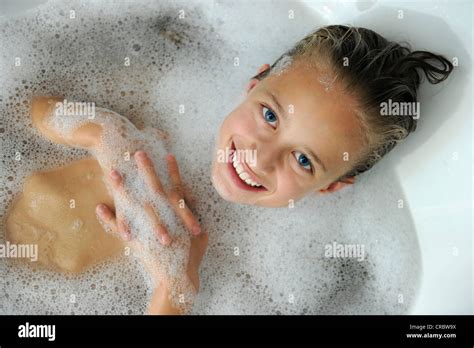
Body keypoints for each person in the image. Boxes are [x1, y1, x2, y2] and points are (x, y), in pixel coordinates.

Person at [8, 25, 454, 314]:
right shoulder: (162, 99)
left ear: (331, 188)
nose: (260, 158)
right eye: (270, 116)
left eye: (303, 161)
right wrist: (97, 132)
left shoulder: (266, 280)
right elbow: (21, 103)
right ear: (255, 81)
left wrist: (174, 288)